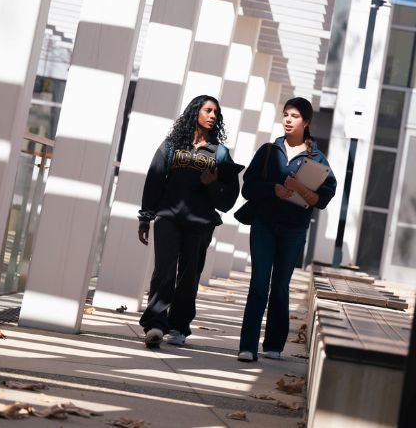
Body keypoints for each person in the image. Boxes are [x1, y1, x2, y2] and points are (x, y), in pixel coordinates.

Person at [234, 97, 336, 362]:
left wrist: (300, 188)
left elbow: (322, 199)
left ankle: (274, 345)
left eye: (295, 116)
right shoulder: (269, 151)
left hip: (293, 230)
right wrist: (274, 189)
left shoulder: (319, 160)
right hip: (264, 225)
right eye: (286, 115)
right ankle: (247, 345)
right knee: (259, 283)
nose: (288, 120)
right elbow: (248, 188)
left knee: (280, 286)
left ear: (307, 122)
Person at [137, 94, 240, 348]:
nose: (213, 115)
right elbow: (154, 179)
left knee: (189, 276)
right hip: (168, 218)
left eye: (216, 112)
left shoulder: (221, 153)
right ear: (195, 112)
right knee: (164, 271)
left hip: (200, 223)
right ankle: (155, 325)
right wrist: (145, 217)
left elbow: (228, 200)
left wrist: (212, 184)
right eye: (208, 110)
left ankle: (179, 325)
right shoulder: (171, 145)